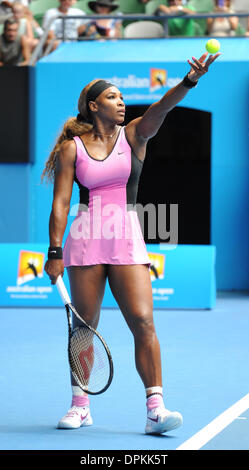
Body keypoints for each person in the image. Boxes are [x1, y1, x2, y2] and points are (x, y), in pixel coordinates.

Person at [42, 50, 220, 434]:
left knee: (142, 321)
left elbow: (163, 106)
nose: (121, 102)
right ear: (93, 106)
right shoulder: (72, 147)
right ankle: (80, 404)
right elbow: (60, 203)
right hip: (86, 237)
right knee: (83, 327)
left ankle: (156, 409)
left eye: (123, 97)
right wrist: (54, 251)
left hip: (125, 236)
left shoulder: (136, 133)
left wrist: (189, 81)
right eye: (112, 97)